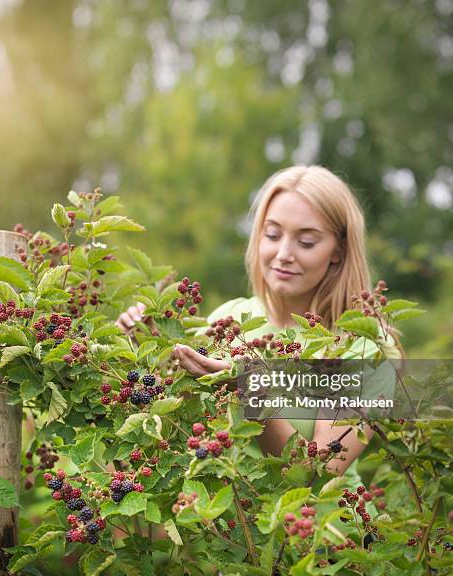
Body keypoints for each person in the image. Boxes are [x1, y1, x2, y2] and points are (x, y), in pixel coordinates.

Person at [116, 165, 396, 479]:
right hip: (229, 525)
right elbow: (177, 419)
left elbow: (313, 473)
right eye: (273, 234)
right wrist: (143, 346)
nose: (283, 253)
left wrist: (250, 389)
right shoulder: (231, 318)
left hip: (320, 525)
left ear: (338, 250)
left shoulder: (364, 350)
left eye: (306, 242)